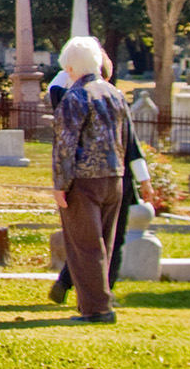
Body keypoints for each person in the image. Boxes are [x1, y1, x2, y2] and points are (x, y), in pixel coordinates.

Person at [49, 51, 149, 306]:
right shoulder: (115, 95)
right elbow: (128, 139)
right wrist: (141, 178)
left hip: (84, 179)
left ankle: (96, 307)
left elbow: (65, 145)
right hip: (115, 177)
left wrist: (60, 184)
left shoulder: (75, 96)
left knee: (85, 246)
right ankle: (98, 298)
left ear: (71, 68)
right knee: (106, 243)